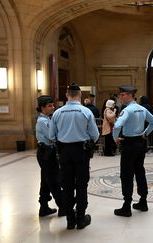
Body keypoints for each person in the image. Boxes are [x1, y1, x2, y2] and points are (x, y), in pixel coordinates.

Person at [49, 83, 100, 230]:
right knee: (81, 185)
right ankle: (81, 218)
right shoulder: (86, 112)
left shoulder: (58, 113)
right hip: (81, 152)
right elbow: (95, 135)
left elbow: (52, 136)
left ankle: (70, 220)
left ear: (66, 95)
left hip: (64, 152)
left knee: (67, 185)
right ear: (79, 96)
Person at [113, 86, 153, 217]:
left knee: (126, 175)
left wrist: (115, 138)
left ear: (129, 95)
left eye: (123, 95)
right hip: (140, 143)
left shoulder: (127, 110)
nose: (121, 97)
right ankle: (143, 201)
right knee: (140, 172)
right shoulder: (142, 108)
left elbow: (117, 125)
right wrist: (145, 133)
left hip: (129, 144)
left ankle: (126, 206)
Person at [35, 95, 64, 217]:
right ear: (42, 108)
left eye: (53, 105)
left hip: (47, 152)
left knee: (45, 180)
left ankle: (44, 207)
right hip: (46, 152)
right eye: (50, 106)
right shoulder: (43, 121)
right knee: (54, 180)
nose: (53, 107)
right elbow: (52, 137)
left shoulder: (47, 119)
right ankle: (63, 207)